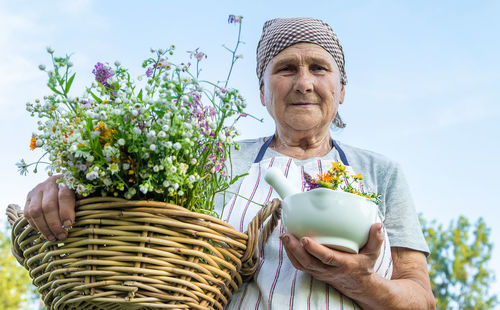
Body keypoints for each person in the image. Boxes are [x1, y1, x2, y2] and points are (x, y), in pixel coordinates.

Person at [24, 17, 435, 309]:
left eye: (319, 68)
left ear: (341, 89)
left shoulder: (382, 173)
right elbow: (138, 226)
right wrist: (67, 185)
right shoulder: (212, 160)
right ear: (261, 91)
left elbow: (420, 300)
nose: (304, 82)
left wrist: (358, 281)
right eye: (286, 68)